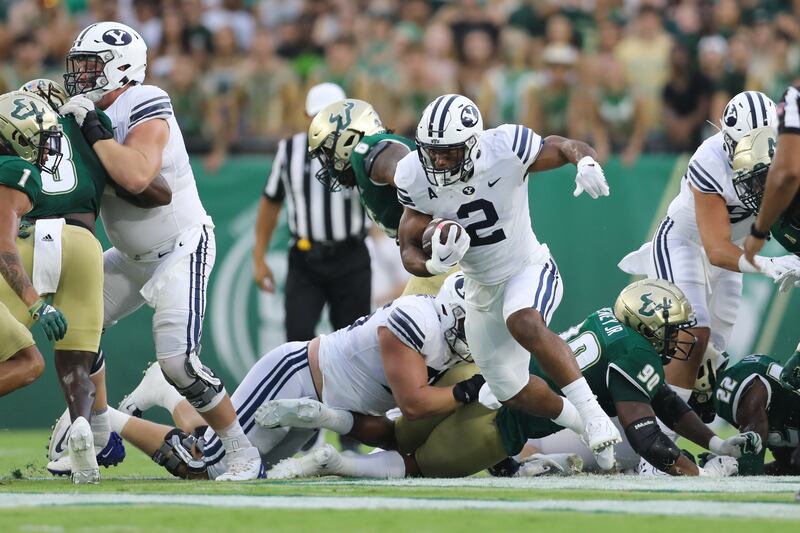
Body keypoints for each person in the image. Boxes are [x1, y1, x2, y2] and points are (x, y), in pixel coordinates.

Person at [266, 279, 760, 479]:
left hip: (484, 381)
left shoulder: (610, 327)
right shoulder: (634, 352)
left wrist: (716, 443)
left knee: (397, 433)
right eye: (671, 329)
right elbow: (646, 436)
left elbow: (666, 403)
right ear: (647, 327)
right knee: (413, 465)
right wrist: (698, 473)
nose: (678, 340)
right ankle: (334, 461)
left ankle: (329, 418)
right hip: (501, 423)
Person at [57, 21, 261, 480]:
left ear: (122, 67)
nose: (81, 75)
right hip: (128, 258)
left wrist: (91, 129)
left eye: (91, 65)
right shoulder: (84, 114)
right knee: (75, 329)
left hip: (179, 247)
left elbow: (135, 175)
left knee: (178, 364)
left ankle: (242, 451)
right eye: (79, 65)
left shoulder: (144, 100)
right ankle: (99, 430)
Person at [394, 93, 620, 468]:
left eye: (448, 152)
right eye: (431, 152)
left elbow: (562, 145)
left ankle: (594, 412)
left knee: (524, 321)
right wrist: (433, 265)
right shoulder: (414, 174)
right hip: (479, 288)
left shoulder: (505, 147)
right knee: (511, 390)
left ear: (473, 144)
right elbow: (408, 248)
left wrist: (585, 161)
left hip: (526, 267)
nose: (438, 161)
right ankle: (587, 426)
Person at [108, 273, 483, 479]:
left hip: (317, 403)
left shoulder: (448, 340)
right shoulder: (418, 322)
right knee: (205, 466)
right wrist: (468, 390)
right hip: (295, 378)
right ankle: (103, 416)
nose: (477, 333)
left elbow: (398, 428)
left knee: (248, 467)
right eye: (472, 321)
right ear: (452, 312)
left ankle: (165, 391)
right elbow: (414, 404)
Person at [18, 79, 170, 481]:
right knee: (77, 360)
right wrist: (98, 143)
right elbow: (156, 191)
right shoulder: (87, 131)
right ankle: (84, 426)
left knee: (10, 345)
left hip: (28, 238)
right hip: (81, 241)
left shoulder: (13, 133)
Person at [619, 91, 800, 409]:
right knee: (692, 335)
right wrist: (769, 264)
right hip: (685, 243)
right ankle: (661, 435)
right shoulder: (710, 160)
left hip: (735, 249)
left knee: (711, 354)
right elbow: (716, 249)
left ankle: (677, 417)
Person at [253, 83, 371, 345]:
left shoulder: (362, 148)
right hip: (306, 260)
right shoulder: (289, 150)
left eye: (332, 116)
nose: (326, 124)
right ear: (307, 117)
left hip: (351, 257)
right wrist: (259, 258)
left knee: (354, 343)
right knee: (297, 340)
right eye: (320, 116)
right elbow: (271, 202)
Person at [307, 98, 449, 295]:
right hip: (446, 254)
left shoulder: (367, 151)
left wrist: (436, 226)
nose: (329, 164)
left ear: (348, 138)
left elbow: (411, 175)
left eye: (329, 152)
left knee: (400, 314)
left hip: (454, 249)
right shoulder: (368, 159)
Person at [0, 91, 66, 401]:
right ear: (18, 137)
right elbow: (2, 244)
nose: (48, 149)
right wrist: (36, 303)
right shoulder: (18, 170)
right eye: (42, 139)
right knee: (28, 363)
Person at [712, 348, 800, 475]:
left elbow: (751, 469)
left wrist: (719, 470)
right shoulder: (777, 405)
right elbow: (788, 467)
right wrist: (727, 465)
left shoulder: (738, 390)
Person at [743, 85, 800, 265]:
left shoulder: (794, 97)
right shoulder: (779, 226)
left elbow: (789, 173)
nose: (756, 190)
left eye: (761, 179)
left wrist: (758, 231)